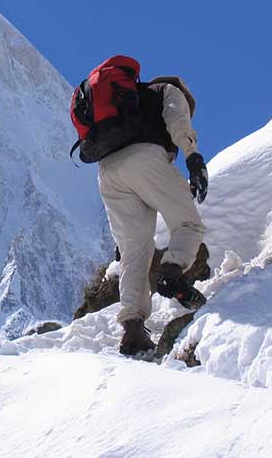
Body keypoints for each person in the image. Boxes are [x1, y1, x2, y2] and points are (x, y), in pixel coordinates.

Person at [97, 73, 209, 356]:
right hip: (146, 159)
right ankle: (171, 272)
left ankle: (133, 327)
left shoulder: (127, 102)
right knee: (188, 224)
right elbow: (178, 124)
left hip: (108, 171)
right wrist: (194, 159)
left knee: (134, 248)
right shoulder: (170, 91)